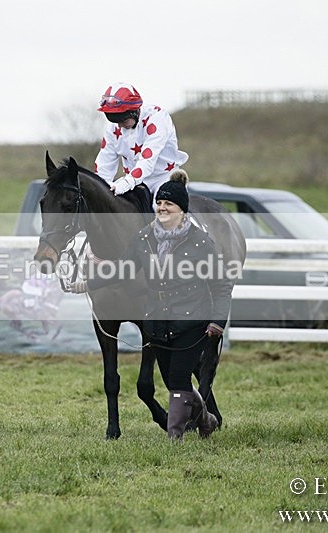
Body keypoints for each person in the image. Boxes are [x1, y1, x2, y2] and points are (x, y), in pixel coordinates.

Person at [67, 170, 232, 440]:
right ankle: (206, 418)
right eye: (160, 203)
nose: (162, 208)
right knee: (172, 381)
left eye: (169, 204)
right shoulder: (144, 238)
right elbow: (124, 269)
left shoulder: (201, 241)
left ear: (182, 209)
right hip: (158, 319)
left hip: (191, 319)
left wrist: (217, 321)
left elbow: (221, 284)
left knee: (178, 381)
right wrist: (87, 285)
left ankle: (174, 436)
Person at [95, 82, 189, 212]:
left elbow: (147, 160)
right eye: (115, 120)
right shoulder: (113, 128)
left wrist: (126, 183)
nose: (120, 126)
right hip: (134, 180)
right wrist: (100, 188)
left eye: (123, 120)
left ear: (134, 111)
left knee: (162, 210)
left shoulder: (157, 118)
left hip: (162, 178)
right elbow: (104, 163)